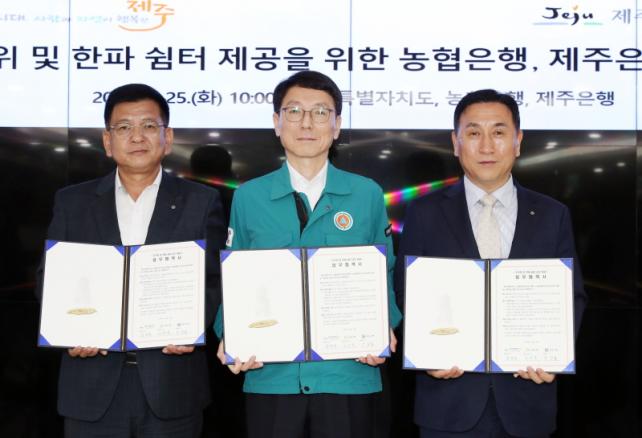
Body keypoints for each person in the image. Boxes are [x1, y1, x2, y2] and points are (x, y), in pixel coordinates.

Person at [215, 70, 402, 438]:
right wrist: (230, 334)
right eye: (294, 111)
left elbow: (386, 272)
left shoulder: (366, 194)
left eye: (320, 112)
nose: (306, 123)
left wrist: (385, 327)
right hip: (271, 372)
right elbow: (234, 275)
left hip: (347, 372)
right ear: (276, 122)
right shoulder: (249, 196)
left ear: (336, 125)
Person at [394, 89, 587, 438]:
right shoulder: (424, 213)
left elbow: (571, 297)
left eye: (498, 132)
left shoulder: (552, 214)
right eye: (473, 133)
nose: (486, 146)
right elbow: (405, 293)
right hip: (448, 404)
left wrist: (554, 355)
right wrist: (424, 351)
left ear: (518, 141)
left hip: (527, 400)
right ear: (456, 143)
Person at [35, 83, 226, 437]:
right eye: (124, 127)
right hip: (91, 387)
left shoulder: (201, 201)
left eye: (149, 126)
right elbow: (50, 278)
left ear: (168, 138)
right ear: (108, 141)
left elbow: (215, 280)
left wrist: (192, 326)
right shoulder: (73, 202)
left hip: (172, 386)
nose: (137, 136)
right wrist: (70, 329)